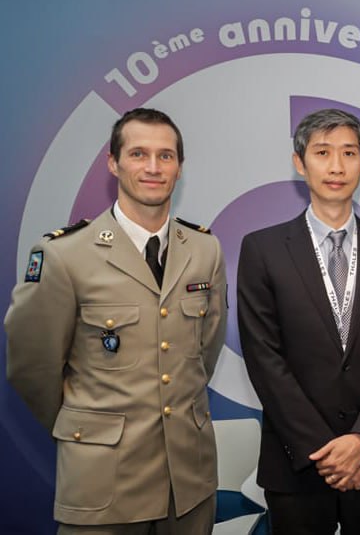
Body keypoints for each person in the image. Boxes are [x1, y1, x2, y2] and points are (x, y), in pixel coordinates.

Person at [4, 107, 228, 533]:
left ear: (179, 167)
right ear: (113, 163)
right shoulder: (63, 255)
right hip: (103, 486)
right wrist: (87, 430)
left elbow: (203, 354)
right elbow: (32, 368)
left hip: (188, 486)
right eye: (138, 154)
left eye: (165, 156)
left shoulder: (205, 251)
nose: (153, 167)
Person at [236, 108, 360, 534]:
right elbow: (264, 358)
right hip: (297, 463)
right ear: (300, 163)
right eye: (322, 152)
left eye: (349, 153)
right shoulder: (263, 250)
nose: (337, 166)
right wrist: (326, 452)